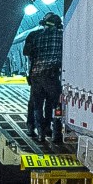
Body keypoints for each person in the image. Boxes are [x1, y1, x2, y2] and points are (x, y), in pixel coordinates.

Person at [25, 13, 65, 145]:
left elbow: (27, 53)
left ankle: (40, 134)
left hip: (36, 76)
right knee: (56, 105)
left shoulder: (35, 36)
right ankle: (56, 134)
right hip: (52, 76)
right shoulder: (62, 36)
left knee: (37, 105)